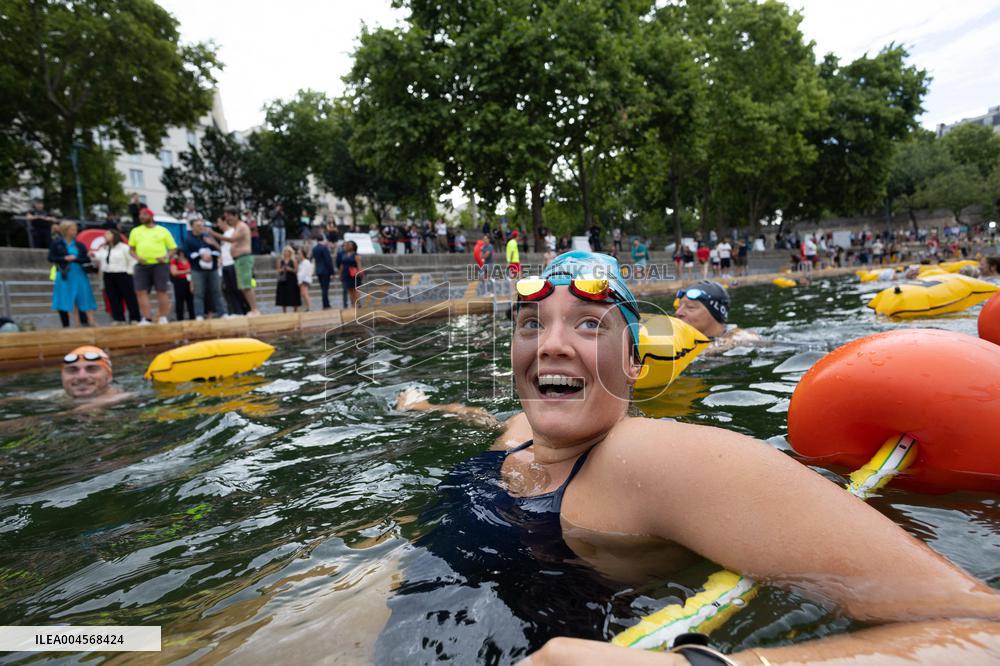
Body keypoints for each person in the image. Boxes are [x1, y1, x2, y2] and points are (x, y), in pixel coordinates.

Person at [390, 250, 1000, 664]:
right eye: (531, 324)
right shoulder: (522, 427)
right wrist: (425, 409)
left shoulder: (650, 458)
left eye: (588, 325)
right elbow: (489, 420)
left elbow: (981, 629)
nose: (550, 344)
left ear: (634, 362)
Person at [675, 281, 760, 351]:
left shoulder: (739, 338)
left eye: (690, 307)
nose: (678, 312)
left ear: (714, 313)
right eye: (679, 306)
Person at [127, 208, 175, 325]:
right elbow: (131, 249)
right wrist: (138, 258)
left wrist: (165, 257)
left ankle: (163, 317)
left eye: (144, 214)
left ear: (151, 216)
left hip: (160, 264)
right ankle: (147, 318)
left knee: (161, 290)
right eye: (140, 215)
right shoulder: (135, 231)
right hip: (142, 265)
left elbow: (173, 248)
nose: (141, 217)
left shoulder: (162, 230)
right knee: (141, 291)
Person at [49, 221, 97, 328]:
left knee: (85, 295)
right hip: (65, 273)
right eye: (72, 229)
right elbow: (51, 258)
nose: (74, 232)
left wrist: (76, 259)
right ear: (65, 230)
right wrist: (64, 258)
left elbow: (86, 258)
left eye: (75, 229)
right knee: (71, 297)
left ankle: (91, 321)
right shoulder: (57, 244)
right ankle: (77, 323)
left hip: (79, 272)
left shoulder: (79, 245)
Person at [91, 230, 140, 324]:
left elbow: (132, 260)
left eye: (108, 234)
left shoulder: (124, 247)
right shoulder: (104, 248)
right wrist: (93, 255)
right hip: (108, 274)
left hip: (123, 274)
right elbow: (100, 256)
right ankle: (118, 318)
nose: (105, 236)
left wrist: (129, 272)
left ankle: (135, 318)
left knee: (129, 297)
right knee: (113, 297)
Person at [182, 218, 225, 320]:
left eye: (202, 225)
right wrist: (200, 256)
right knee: (198, 292)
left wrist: (211, 255)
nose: (201, 228)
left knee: (217, 291)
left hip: (212, 268)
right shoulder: (188, 239)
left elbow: (218, 250)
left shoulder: (208, 237)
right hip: (197, 269)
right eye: (198, 226)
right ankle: (199, 314)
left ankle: (222, 313)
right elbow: (186, 253)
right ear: (192, 226)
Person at [224, 205, 260, 316]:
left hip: (244, 259)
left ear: (235, 215)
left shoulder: (242, 226)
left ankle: (254, 309)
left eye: (228, 217)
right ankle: (252, 309)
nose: (227, 220)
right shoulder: (236, 228)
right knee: (244, 286)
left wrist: (214, 234)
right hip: (239, 260)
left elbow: (232, 239)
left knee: (247, 285)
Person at [169, 250, 194, 321]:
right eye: (180, 253)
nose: (182, 255)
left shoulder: (189, 260)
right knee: (179, 301)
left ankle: (193, 317)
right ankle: (180, 318)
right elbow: (174, 272)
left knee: (191, 300)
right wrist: (186, 271)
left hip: (190, 281)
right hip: (179, 281)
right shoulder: (175, 261)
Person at [275, 246, 301, 312]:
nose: (286, 253)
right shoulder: (280, 260)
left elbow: (296, 270)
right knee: (283, 294)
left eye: (287, 251)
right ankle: (284, 310)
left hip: (292, 279)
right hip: (283, 279)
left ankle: (295, 310)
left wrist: (290, 269)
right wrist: (282, 269)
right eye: (285, 251)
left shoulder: (293, 260)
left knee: (294, 294)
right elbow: (278, 270)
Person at [313, 237, 335, 309]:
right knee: (325, 288)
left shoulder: (315, 248)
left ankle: (325, 303)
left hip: (319, 271)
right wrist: (332, 272)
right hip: (325, 271)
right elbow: (328, 261)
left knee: (323, 288)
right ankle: (326, 304)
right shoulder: (324, 248)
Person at [297, 247, 314, 312]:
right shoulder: (303, 262)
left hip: (304, 280)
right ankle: (307, 307)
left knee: (305, 293)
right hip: (303, 280)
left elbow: (303, 273)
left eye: (299, 254)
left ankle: (309, 307)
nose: (298, 255)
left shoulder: (305, 262)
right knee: (303, 294)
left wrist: (300, 281)